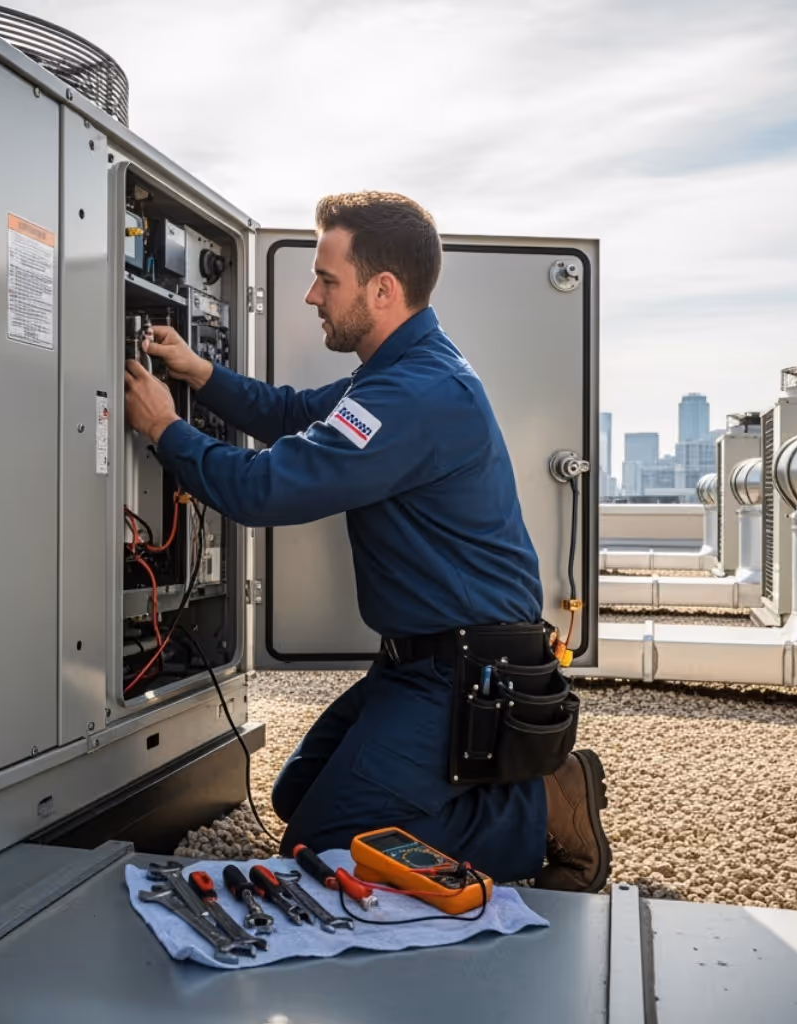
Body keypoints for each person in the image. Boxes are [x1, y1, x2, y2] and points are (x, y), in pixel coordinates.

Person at [122, 191, 611, 890]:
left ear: (383, 290)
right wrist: (202, 375)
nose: (311, 296)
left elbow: (263, 491)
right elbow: (294, 413)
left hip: (464, 675)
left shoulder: (416, 394)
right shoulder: (397, 375)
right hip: (422, 666)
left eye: (327, 280)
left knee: (325, 844)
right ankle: (486, 794)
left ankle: (544, 808)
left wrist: (165, 428)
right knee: (298, 792)